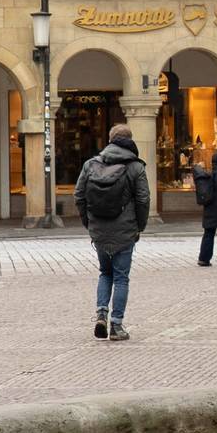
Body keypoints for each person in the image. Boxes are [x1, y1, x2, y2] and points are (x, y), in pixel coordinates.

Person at [74, 123, 151, 341]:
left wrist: (88, 223)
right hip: (125, 230)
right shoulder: (136, 167)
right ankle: (116, 325)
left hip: (99, 230)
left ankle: (101, 313)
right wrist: (140, 226)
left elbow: (79, 196)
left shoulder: (91, 164)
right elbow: (144, 199)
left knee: (105, 272)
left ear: (109, 139)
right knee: (121, 277)